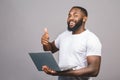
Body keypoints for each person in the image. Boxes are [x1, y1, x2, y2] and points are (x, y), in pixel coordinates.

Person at [41, 6, 102, 80]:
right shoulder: (63, 35)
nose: (71, 18)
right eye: (69, 15)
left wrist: (59, 73)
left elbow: (94, 70)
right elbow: (50, 50)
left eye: (75, 15)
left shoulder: (91, 38)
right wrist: (45, 43)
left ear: (84, 19)